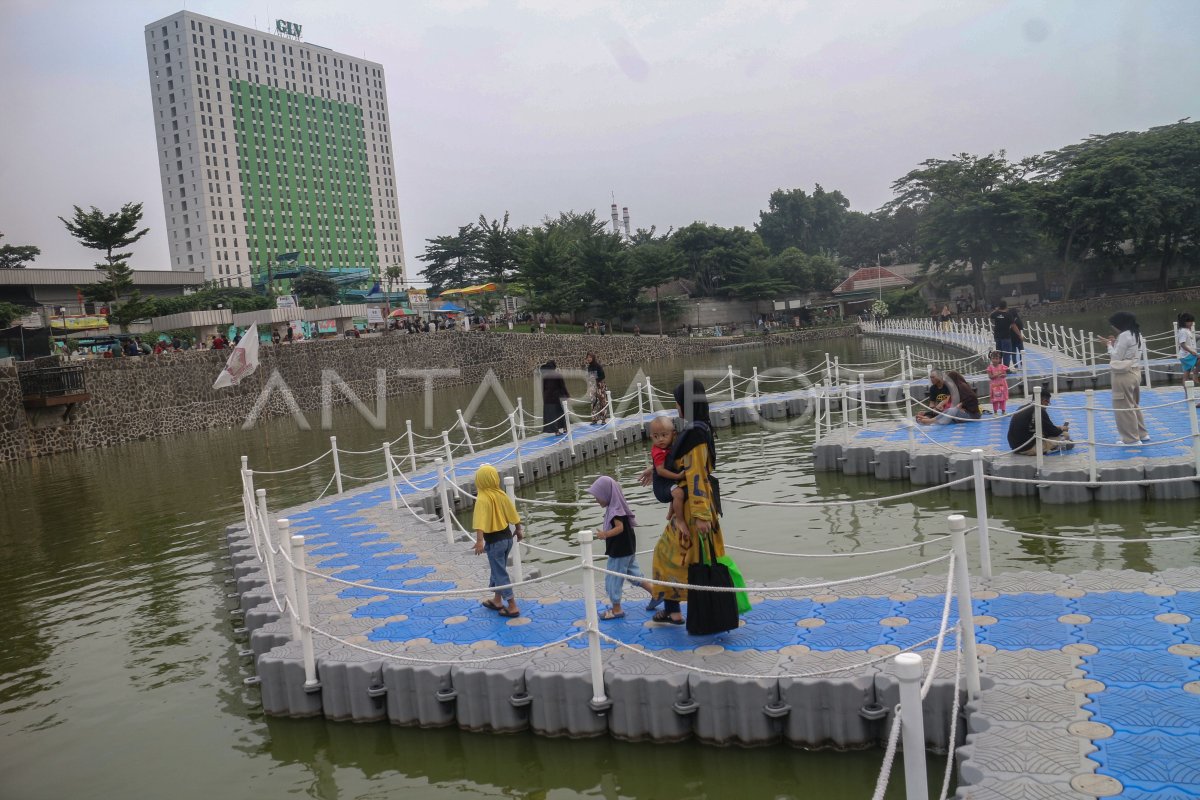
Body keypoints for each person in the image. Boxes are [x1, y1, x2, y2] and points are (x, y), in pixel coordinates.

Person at [638, 380, 724, 627]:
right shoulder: (699, 428)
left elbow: (695, 473)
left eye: (678, 402)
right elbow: (680, 462)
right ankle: (675, 611)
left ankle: (694, 611)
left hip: (693, 510)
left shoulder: (694, 434)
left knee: (677, 558)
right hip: (696, 506)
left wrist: (699, 516)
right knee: (697, 559)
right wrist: (653, 470)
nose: (676, 407)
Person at [587, 476, 656, 620]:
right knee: (633, 574)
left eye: (598, 496)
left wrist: (605, 534)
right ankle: (655, 592)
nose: (596, 500)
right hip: (628, 549)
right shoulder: (618, 507)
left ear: (606, 494)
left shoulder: (614, 511)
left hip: (619, 552)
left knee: (613, 579)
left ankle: (617, 609)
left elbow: (620, 528)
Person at [472, 465, 524, 618]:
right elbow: (513, 513)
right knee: (497, 569)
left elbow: (480, 521)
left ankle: (512, 605)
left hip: (494, 541)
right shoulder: (501, 494)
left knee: (499, 572)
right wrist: (519, 529)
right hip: (507, 538)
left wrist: (479, 541)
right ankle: (497, 600)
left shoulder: (482, 498)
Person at [1103, 311, 1149, 445]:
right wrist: (1114, 343)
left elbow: (1116, 357)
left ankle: (1131, 439)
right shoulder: (1137, 333)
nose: (1113, 328)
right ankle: (1142, 434)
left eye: (1114, 325)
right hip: (1135, 372)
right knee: (1133, 405)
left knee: (1123, 407)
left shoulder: (1124, 335)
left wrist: (1109, 346)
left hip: (1123, 375)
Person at [648, 415, 688, 540]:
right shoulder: (658, 451)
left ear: (673, 434)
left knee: (676, 488)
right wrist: (677, 475)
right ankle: (680, 520)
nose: (660, 439)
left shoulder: (670, 447)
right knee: (678, 493)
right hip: (661, 486)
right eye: (656, 436)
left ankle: (670, 513)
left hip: (668, 482)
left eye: (664, 435)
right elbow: (660, 471)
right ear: (651, 437)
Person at [1007, 387, 1072, 455]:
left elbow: (1037, 426)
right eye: (1047, 403)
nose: (1047, 406)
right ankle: (1051, 449)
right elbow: (1053, 432)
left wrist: (1057, 427)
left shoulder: (1023, 407)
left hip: (1015, 446)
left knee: (1047, 434)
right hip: (1027, 448)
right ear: (1044, 401)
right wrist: (1062, 428)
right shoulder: (1039, 410)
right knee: (1065, 436)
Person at [540, 360, 569, 435]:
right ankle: (563, 428)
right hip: (556, 398)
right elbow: (562, 387)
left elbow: (544, 389)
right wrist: (566, 395)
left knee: (552, 416)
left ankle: (557, 431)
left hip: (549, 399)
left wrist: (544, 398)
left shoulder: (545, 376)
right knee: (560, 413)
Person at [989, 301, 1019, 367]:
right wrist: (1019, 335)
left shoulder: (996, 314)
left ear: (999, 307)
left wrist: (996, 310)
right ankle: (1005, 369)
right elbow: (1014, 326)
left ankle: (999, 368)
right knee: (1006, 353)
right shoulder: (1008, 315)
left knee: (999, 353)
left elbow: (990, 315)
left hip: (997, 337)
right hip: (1006, 337)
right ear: (1006, 306)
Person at [1177, 312, 1198, 396]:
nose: (1192, 323)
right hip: (1187, 355)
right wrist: (1192, 351)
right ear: (1186, 321)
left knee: (1186, 375)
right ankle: (1195, 375)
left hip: (1185, 355)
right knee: (1199, 360)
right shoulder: (1183, 331)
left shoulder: (1186, 330)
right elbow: (1182, 344)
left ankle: (1187, 394)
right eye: (1191, 321)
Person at [585, 352, 609, 424]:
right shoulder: (589, 367)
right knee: (593, 402)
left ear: (593, 358)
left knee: (602, 402)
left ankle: (603, 419)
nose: (588, 359)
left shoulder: (598, 366)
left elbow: (603, 376)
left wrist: (596, 380)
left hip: (600, 386)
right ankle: (594, 419)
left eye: (590, 357)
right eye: (587, 357)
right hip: (593, 387)